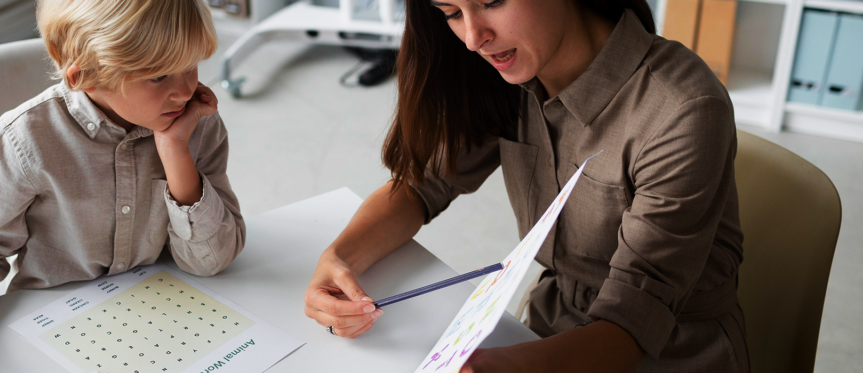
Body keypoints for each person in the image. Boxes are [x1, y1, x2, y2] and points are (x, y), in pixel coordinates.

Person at [303, 0, 747, 372]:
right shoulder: (509, 71)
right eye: (452, 12)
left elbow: (630, 323)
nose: (474, 38)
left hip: (667, 352)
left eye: (492, 1)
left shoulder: (682, 110)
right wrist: (339, 259)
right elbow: (422, 186)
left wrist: (491, 366)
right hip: (548, 320)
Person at [0, 1, 245, 372]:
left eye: (190, 66)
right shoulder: (23, 142)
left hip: (164, 313)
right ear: (83, 76)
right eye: (158, 77)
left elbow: (213, 261)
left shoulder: (197, 124)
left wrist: (174, 150)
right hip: (52, 325)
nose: (186, 91)